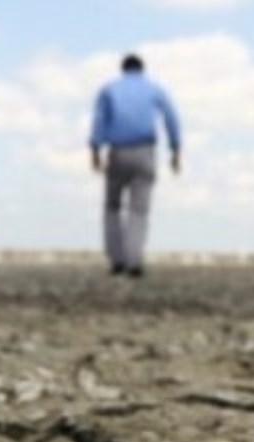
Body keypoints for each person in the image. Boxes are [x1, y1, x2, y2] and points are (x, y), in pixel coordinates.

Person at [89, 54, 181, 278]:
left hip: (118, 151)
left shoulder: (109, 89)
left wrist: (95, 150)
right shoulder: (155, 89)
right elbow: (171, 117)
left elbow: (100, 121)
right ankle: (135, 260)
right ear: (142, 69)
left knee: (112, 207)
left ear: (123, 69)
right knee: (139, 210)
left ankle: (117, 259)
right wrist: (175, 149)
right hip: (145, 151)